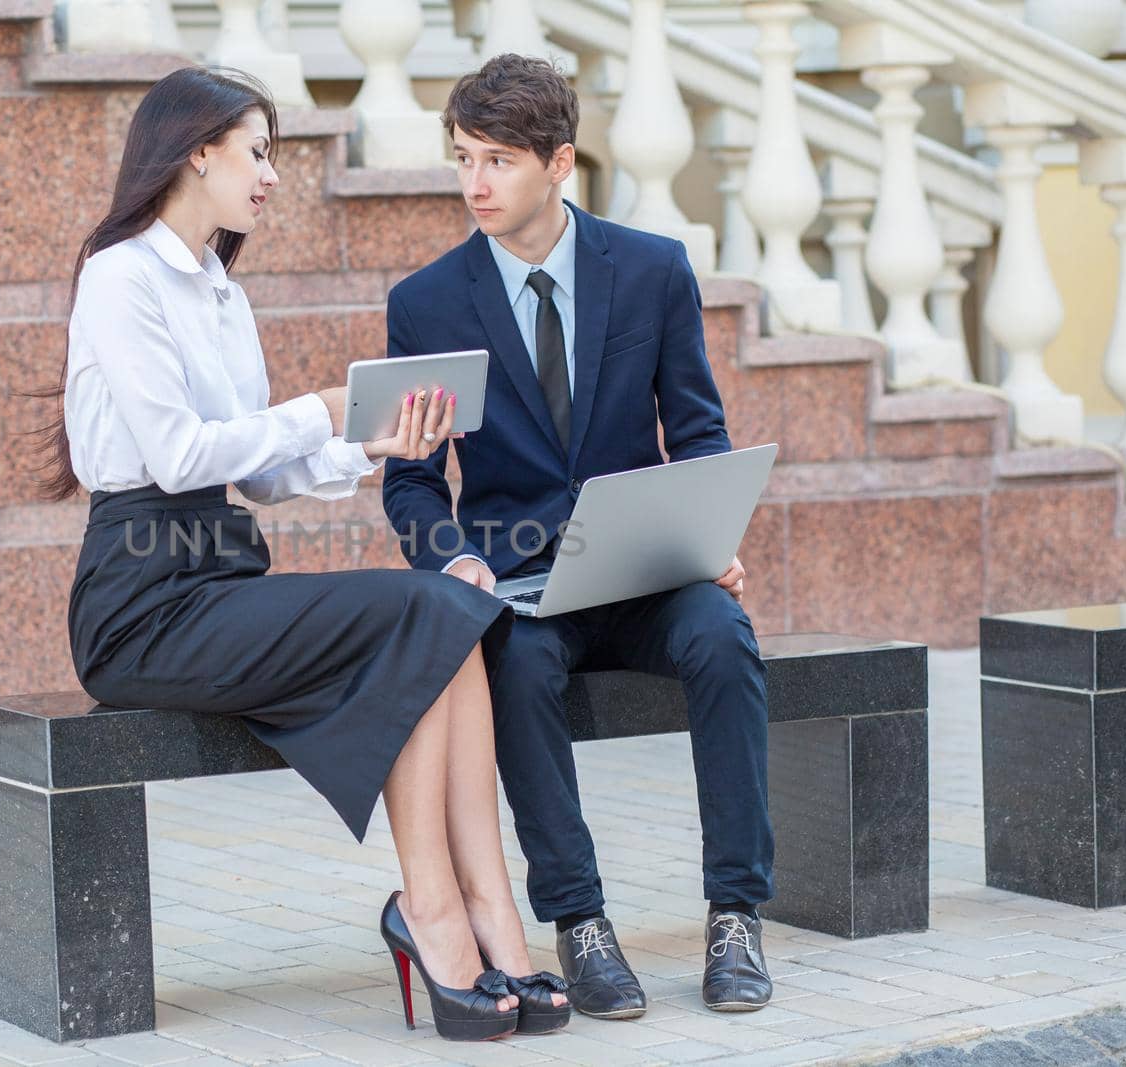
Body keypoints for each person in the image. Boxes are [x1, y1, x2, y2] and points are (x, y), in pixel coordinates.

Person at [32, 66, 569, 1042]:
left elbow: (270, 477)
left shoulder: (220, 292)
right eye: (259, 152)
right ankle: (431, 910)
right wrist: (314, 408)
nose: (271, 175)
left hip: (221, 577)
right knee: (421, 609)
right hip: (139, 602)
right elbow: (178, 455)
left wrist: (371, 441)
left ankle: (491, 907)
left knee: (448, 608)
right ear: (198, 150)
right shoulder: (123, 275)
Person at [381, 54, 776, 1017]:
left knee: (724, 639)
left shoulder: (650, 270)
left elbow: (697, 431)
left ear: (560, 163)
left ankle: (737, 914)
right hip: (520, 586)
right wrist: (457, 558)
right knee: (514, 665)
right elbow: (412, 483)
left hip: (645, 572)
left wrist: (708, 531)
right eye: (464, 159)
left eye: (499, 162)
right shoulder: (426, 303)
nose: (475, 184)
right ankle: (581, 920)